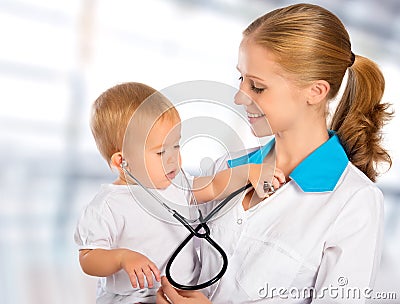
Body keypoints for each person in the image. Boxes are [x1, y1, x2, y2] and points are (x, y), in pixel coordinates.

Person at [156, 3, 392, 304]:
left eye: (258, 87)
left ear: (316, 92)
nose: (239, 96)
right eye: (241, 78)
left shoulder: (354, 202)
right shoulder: (226, 168)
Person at [74, 82, 284, 304]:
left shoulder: (178, 186)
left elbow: (213, 186)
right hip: (130, 298)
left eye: (176, 145)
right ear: (122, 161)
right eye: (161, 152)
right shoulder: (108, 205)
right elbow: (88, 257)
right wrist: (121, 258)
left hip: (180, 293)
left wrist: (250, 171)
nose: (174, 158)